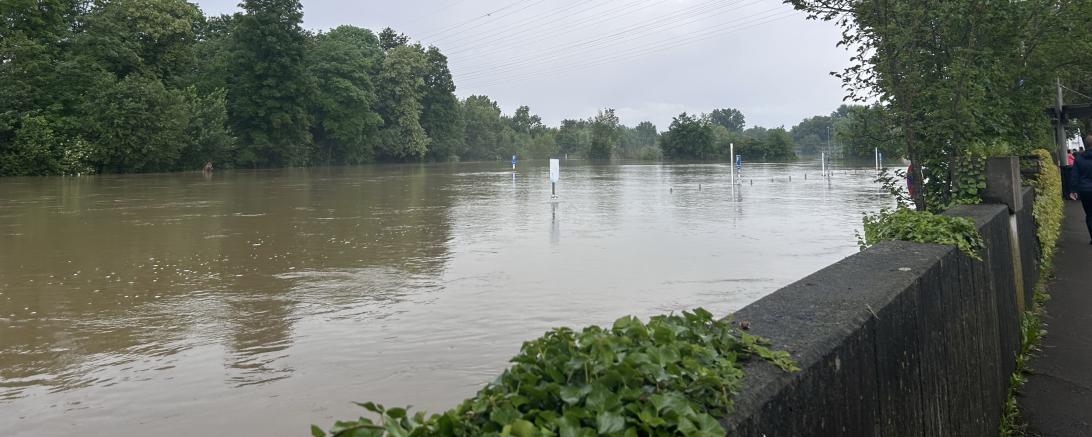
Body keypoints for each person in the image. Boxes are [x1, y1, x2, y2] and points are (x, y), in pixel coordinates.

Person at [1069, 143, 1092, 243]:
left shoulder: (1078, 158)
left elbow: (1074, 176)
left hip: (1085, 190)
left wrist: (1073, 190)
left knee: (1089, 214)